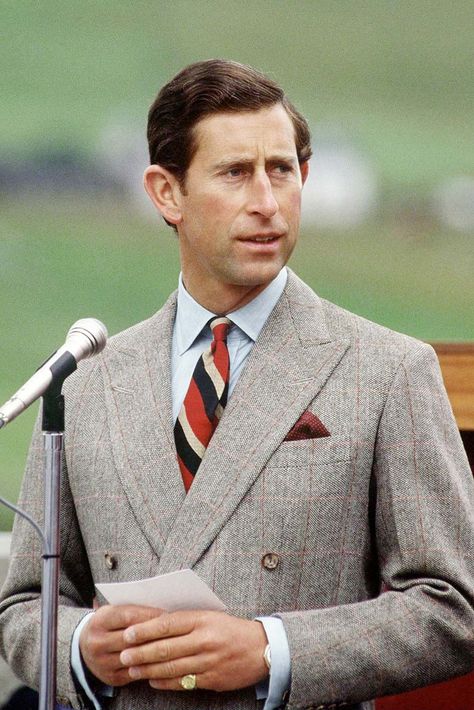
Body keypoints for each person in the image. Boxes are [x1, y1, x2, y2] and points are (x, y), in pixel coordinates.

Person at [0, 59, 473, 710]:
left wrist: (269, 651)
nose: (266, 201)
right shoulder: (87, 380)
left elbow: (454, 605)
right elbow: (25, 605)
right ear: (167, 193)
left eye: (282, 170)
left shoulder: (388, 370)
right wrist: (82, 646)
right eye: (234, 173)